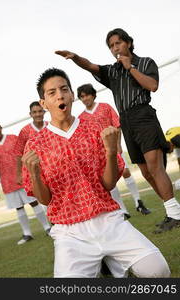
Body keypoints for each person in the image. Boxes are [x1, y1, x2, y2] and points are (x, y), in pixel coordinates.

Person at [22, 67, 170, 278]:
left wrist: (111, 152)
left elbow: (108, 185)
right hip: (70, 232)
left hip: (108, 220)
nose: (60, 95)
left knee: (158, 271)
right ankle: (107, 265)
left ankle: (111, 264)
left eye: (64, 89)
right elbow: (45, 200)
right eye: (52, 92)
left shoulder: (94, 128)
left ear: (72, 95)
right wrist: (35, 174)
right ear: (43, 104)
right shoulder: (35, 144)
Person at [55, 28, 180, 233]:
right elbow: (90, 66)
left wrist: (130, 67)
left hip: (143, 116)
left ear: (128, 43)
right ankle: (173, 211)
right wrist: (75, 57)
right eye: (111, 46)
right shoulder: (112, 71)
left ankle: (175, 214)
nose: (115, 48)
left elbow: (153, 85)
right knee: (146, 172)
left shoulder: (146, 62)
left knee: (155, 166)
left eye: (118, 43)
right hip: (127, 120)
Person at [77, 83, 150, 216]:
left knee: (126, 172)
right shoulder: (80, 118)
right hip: (98, 154)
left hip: (113, 148)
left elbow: (117, 125)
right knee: (110, 180)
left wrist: (118, 144)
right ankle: (122, 209)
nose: (85, 98)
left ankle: (138, 202)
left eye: (87, 95)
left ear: (93, 95)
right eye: (82, 97)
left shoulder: (105, 107)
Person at [0, 120, 51, 245]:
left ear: (1, 127)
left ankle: (47, 227)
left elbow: (25, 153)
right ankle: (27, 234)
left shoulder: (13, 138)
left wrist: (23, 173)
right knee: (18, 208)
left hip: (23, 178)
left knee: (34, 203)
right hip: (7, 182)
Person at [15, 101, 48, 213]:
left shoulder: (51, 125)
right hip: (36, 171)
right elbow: (19, 153)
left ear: (44, 112)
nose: (38, 114)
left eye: (40, 111)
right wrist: (19, 174)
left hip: (52, 168)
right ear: (30, 114)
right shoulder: (25, 131)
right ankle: (52, 224)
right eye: (35, 112)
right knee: (42, 198)